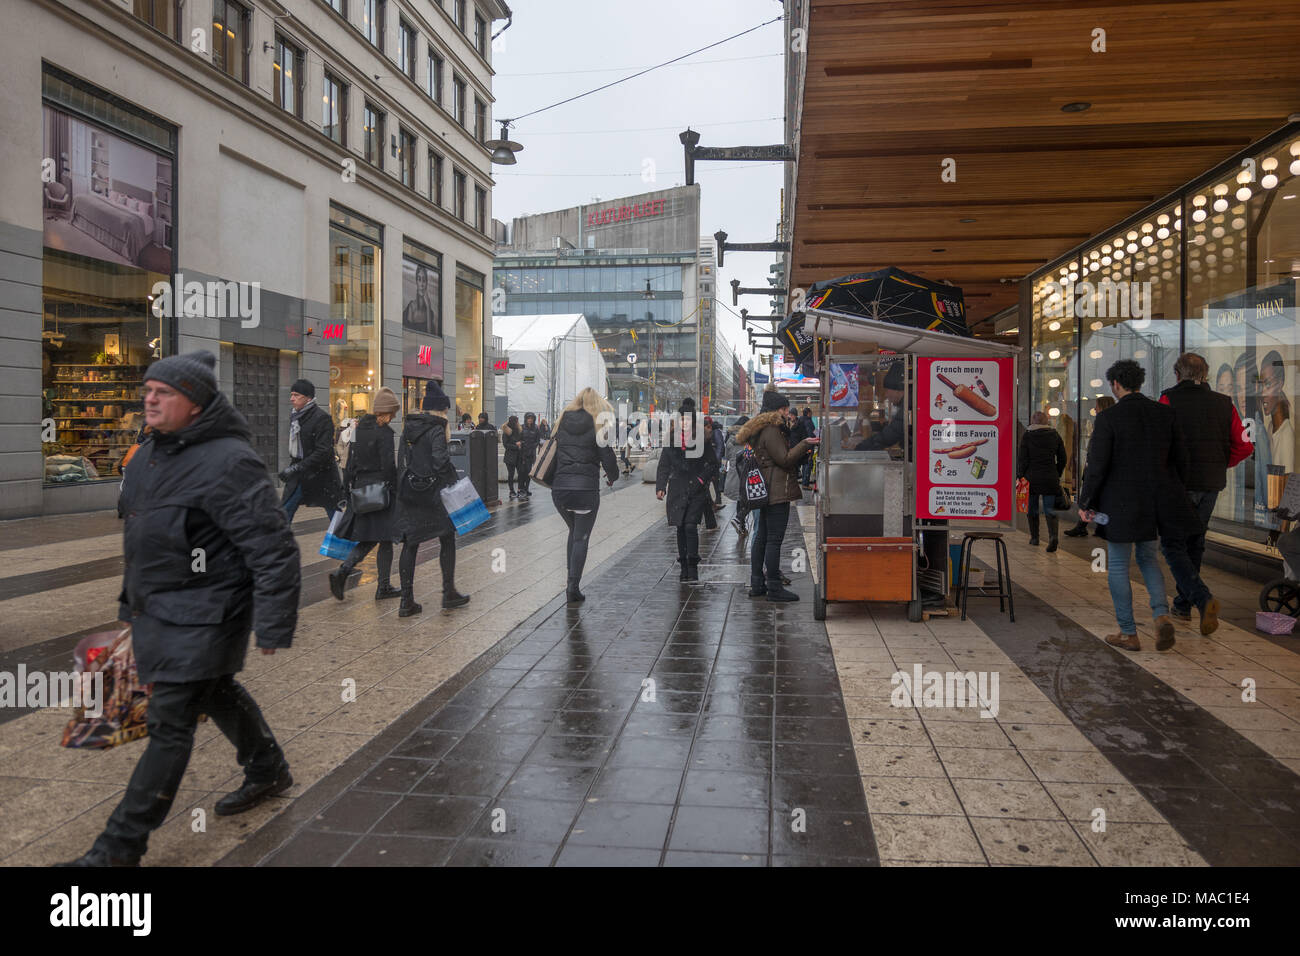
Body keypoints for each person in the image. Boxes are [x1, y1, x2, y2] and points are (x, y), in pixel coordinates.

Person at [59, 351, 299, 867]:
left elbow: (272, 546)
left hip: (208, 610)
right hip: (160, 610)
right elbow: (142, 537)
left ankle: (115, 852)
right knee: (215, 689)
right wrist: (131, 607)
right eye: (148, 389)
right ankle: (267, 767)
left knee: (170, 726)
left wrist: (275, 623)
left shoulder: (230, 461)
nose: (149, 398)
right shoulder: (147, 454)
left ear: (196, 404)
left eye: (163, 391)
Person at [1077, 359, 1204, 652]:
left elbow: (1097, 465)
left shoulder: (1109, 419)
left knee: (1119, 564)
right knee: (1149, 559)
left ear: (1115, 385)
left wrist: (1086, 502)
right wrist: (1173, 492)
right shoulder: (1165, 414)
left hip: (1118, 504)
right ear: (1139, 383)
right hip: (1154, 503)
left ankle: (1128, 632)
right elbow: (1181, 461)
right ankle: (1160, 616)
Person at [1158, 352, 1252, 623]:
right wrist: (1222, 463)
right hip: (1211, 484)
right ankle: (1183, 604)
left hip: (1178, 484)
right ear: (1206, 375)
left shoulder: (1168, 399)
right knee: (1195, 543)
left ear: (1177, 374)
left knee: (1173, 544)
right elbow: (1245, 445)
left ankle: (1201, 598)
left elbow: (1159, 442)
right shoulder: (1225, 404)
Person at [736, 388, 818, 602]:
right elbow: (784, 458)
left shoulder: (763, 428)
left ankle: (757, 584)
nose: (786, 412)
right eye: (784, 408)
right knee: (773, 539)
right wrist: (805, 444)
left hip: (767, 489)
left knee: (763, 538)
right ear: (776, 410)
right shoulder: (772, 430)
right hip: (775, 491)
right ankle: (774, 587)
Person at [394, 382, 469, 615]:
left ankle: (406, 601)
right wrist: (452, 482)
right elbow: (439, 461)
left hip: (410, 491)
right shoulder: (437, 428)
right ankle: (449, 592)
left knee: (411, 543)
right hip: (434, 494)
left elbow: (401, 460)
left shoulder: (410, 427)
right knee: (447, 538)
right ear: (441, 411)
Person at [329, 387, 401, 602]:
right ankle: (384, 587)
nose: (394, 416)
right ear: (386, 412)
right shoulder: (385, 433)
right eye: (394, 412)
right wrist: (395, 488)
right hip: (380, 492)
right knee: (385, 538)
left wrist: (347, 488)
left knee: (370, 538)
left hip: (361, 490)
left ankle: (343, 570)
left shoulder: (360, 430)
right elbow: (388, 465)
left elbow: (350, 463)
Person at [551, 387, 619, 604]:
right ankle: (573, 587)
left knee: (573, 531)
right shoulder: (597, 423)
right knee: (581, 536)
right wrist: (613, 475)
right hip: (585, 488)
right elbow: (607, 457)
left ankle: (571, 580)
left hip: (560, 489)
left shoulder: (562, 420)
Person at [656, 398, 719, 581]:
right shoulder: (671, 440)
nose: (684, 422)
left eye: (687, 419)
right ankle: (683, 564)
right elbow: (663, 465)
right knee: (680, 527)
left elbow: (712, 465)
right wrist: (661, 486)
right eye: (681, 419)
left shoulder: (702, 440)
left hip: (696, 489)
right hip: (677, 488)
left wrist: (701, 479)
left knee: (691, 526)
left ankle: (693, 565)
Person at [280, 379, 343, 523]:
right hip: (301, 474)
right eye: (291, 395)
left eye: (296, 395)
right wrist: (295, 467)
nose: (292, 399)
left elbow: (324, 451)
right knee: (285, 510)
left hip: (322, 474)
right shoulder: (295, 417)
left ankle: (344, 543)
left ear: (308, 398)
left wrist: (297, 467)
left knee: (335, 517)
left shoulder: (322, 418)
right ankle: (280, 543)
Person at [1065, 396, 1116, 537]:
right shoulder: (1104, 423)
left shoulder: (1105, 424)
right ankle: (1088, 526)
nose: (1094, 409)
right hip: (1095, 467)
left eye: (1097, 406)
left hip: (1098, 468)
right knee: (1095, 499)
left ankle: (1085, 526)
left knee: (1094, 498)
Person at [1017, 411, 1067, 552]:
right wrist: (1057, 472)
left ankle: (1034, 538)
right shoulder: (1054, 435)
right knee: (1049, 509)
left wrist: (1021, 475)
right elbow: (1063, 457)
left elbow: (1023, 459)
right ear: (1046, 421)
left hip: (1031, 478)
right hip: (1050, 477)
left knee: (1032, 509)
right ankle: (1053, 536)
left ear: (1033, 421)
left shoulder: (1027, 435)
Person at [723, 415, 751, 536]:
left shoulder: (730, 439)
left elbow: (727, 456)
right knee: (750, 498)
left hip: (734, 473)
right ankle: (739, 520)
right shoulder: (749, 438)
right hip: (746, 471)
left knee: (741, 499)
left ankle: (741, 525)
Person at [403, 264, 438, 335]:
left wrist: (428, 307)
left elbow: (430, 337)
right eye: (419, 279)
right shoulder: (412, 307)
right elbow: (409, 334)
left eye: (424, 280)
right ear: (416, 282)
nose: (421, 284)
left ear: (427, 283)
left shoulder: (430, 312)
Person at [517, 412, 540, 498]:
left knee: (528, 472)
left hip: (531, 453)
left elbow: (537, 440)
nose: (530, 420)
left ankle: (526, 489)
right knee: (522, 472)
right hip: (522, 453)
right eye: (528, 418)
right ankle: (521, 489)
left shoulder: (536, 428)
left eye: (531, 418)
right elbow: (519, 439)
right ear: (526, 419)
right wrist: (522, 444)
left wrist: (533, 446)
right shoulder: (522, 427)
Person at [501, 414, 524, 499]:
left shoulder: (519, 430)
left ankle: (519, 490)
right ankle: (511, 491)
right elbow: (505, 445)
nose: (516, 423)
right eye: (515, 421)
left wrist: (521, 444)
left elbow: (523, 440)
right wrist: (516, 445)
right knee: (511, 474)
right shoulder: (506, 431)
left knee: (520, 473)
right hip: (510, 457)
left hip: (519, 456)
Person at [709, 416, 727, 507]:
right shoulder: (715, 432)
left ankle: (717, 498)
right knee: (712, 480)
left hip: (715, 461)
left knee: (715, 479)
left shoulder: (716, 432)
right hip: (713, 460)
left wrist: (716, 460)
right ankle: (715, 500)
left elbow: (720, 447)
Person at [799, 407, 818, 486]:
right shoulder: (808, 421)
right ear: (808, 413)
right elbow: (812, 433)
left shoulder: (800, 420)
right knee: (808, 463)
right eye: (811, 413)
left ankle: (804, 480)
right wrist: (817, 438)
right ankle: (805, 483)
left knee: (804, 462)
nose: (812, 414)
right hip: (809, 445)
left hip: (802, 445)